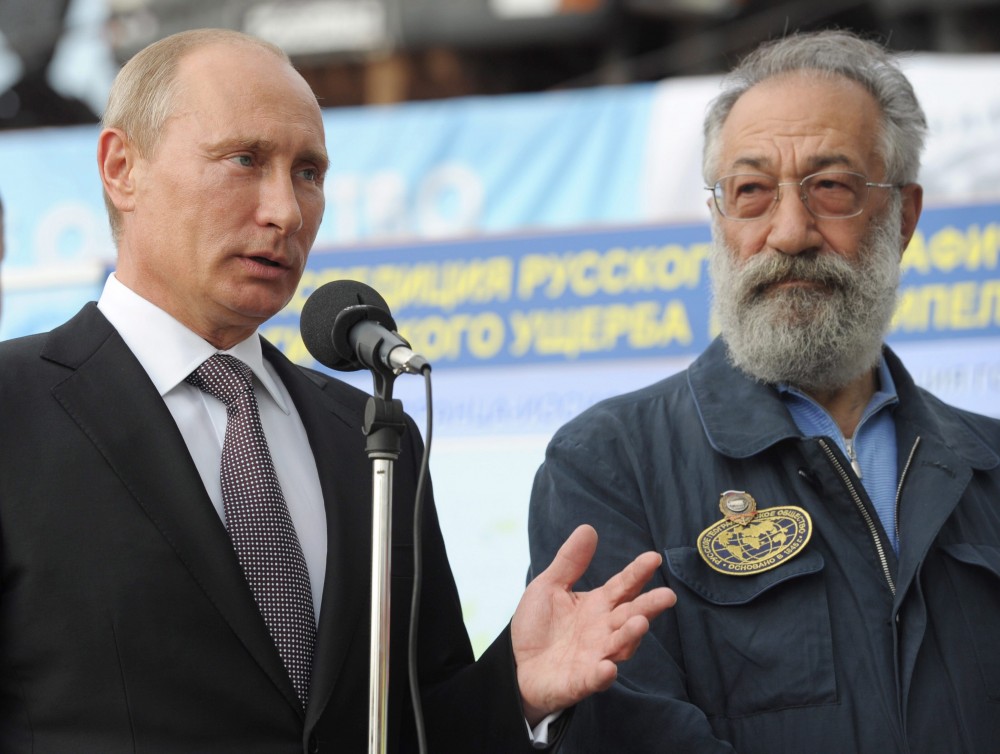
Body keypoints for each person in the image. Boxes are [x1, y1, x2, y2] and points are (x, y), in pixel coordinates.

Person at [0, 29, 676, 753]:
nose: (286, 212)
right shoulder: (14, 408)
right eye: (245, 160)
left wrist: (511, 688)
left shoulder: (371, 437)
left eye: (310, 173)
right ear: (122, 168)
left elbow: (414, 721)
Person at [528, 29, 1000, 753]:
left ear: (903, 217)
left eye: (831, 187)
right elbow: (627, 730)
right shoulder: (610, 463)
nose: (789, 232)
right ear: (719, 218)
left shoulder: (988, 466)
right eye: (750, 191)